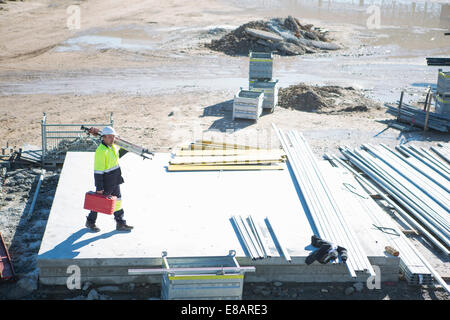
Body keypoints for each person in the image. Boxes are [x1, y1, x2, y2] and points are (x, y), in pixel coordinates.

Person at [85, 126, 133, 232]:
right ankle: (90, 222)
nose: (112, 139)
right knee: (99, 202)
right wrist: (99, 187)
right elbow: (98, 171)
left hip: (115, 178)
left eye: (113, 137)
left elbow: (116, 157)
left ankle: (120, 223)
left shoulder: (113, 146)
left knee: (118, 201)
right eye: (110, 137)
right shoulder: (101, 151)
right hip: (106, 181)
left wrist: (127, 148)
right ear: (103, 137)